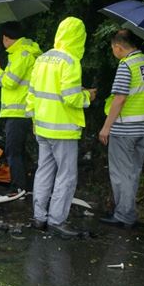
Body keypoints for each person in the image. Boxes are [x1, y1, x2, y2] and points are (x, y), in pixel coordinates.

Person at [26, 17, 96, 239]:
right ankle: (57, 220)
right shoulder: (70, 61)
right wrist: (88, 96)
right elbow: (71, 98)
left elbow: (32, 94)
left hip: (42, 127)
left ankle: (39, 217)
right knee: (66, 175)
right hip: (63, 129)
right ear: (79, 38)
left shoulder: (43, 59)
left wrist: (34, 121)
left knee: (44, 171)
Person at [98, 29, 144, 228]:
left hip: (125, 128)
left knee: (120, 173)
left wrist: (106, 127)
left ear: (118, 47)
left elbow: (120, 98)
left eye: (112, 49)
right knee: (133, 171)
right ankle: (127, 212)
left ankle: (123, 215)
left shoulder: (126, 65)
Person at [0, 22, 42, 191]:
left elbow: (10, 82)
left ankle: (18, 188)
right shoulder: (24, 52)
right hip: (25, 110)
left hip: (19, 111)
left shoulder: (21, 54)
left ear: (5, 38)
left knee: (13, 151)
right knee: (20, 151)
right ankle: (28, 185)